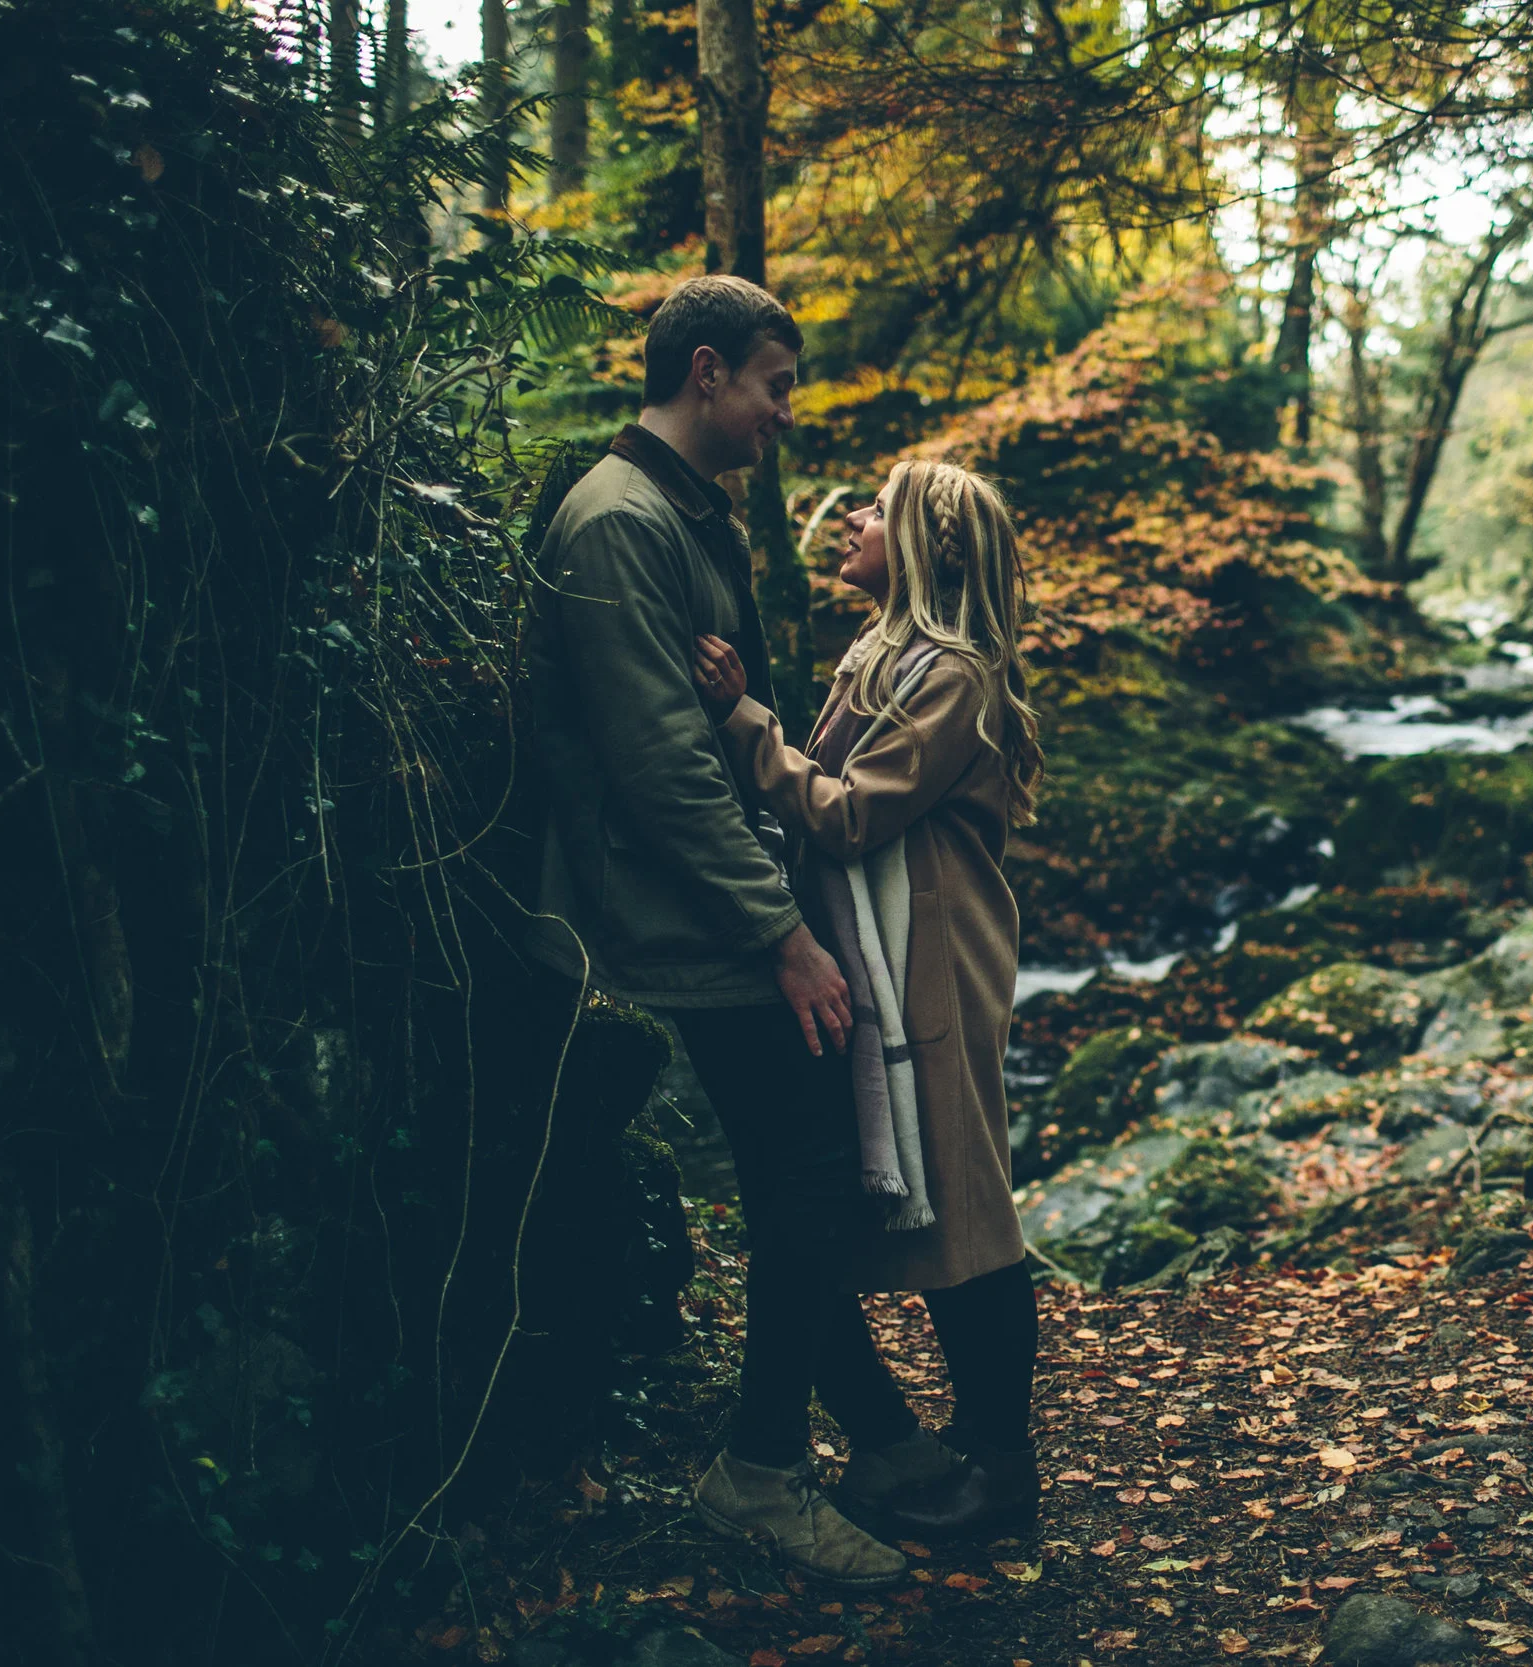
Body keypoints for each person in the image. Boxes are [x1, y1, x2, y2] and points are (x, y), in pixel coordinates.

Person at [522, 273, 917, 1587]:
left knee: (792, 1169)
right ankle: (762, 1470)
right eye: (773, 385)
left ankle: (866, 1435)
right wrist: (780, 935)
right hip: (679, 910)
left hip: (717, 898)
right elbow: (656, 766)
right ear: (705, 372)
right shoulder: (616, 520)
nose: (783, 413)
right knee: (803, 1166)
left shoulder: (688, 511)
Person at [691, 457, 1045, 1542]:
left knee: (969, 1209)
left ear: (933, 548)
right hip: (891, 952)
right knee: (891, 1200)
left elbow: (848, 816)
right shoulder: (884, 655)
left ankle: (999, 1466)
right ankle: (920, 1444)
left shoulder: (955, 673)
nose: (851, 517)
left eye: (879, 509)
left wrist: (743, 721)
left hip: (934, 959)